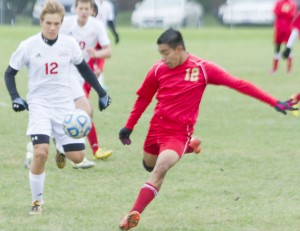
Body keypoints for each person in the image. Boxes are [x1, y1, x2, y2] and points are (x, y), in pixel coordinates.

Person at [118, 28, 296, 230]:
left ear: (179, 49)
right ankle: (189, 147)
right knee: (148, 165)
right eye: (160, 54)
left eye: (166, 53)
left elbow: (237, 83)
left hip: (177, 133)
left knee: (159, 169)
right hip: (156, 127)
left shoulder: (202, 69)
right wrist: (128, 127)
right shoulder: (158, 70)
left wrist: (273, 101)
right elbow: (144, 98)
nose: (163, 58)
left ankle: (132, 215)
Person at [4, 0, 111, 214]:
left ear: (62, 23)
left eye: (56, 24)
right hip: (39, 105)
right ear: (41, 22)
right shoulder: (28, 45)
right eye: (48, 23)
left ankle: (60, 145)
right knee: (41, 153)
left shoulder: (69, 44)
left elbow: (84, 70)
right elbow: (9, 73)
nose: (52, 28)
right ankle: (37, 202)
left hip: (64, 105)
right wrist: (16, 97)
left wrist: (101, 92)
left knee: (78, 157)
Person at [59, 0, 113, 169]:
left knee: (81, 111)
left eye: (86, 9)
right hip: (63, 71)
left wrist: (95, 54)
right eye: (80, 8)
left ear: (92, 10)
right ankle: (77, 155)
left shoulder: (96, 26)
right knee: (82, 111)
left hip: (81, 73)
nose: (83, 12)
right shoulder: (65, 23)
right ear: (75, 9)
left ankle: (64, 149)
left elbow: (108, 51)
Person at [271, 0, 296, 74]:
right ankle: (288, 70)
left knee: (280, 48)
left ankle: (276, 69)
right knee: (287, 47)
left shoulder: (278, 3)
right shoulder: (292, 4)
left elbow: (276, 12)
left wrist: (282, 14)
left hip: (281, 28)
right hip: (287, 28)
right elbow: (292, 15)